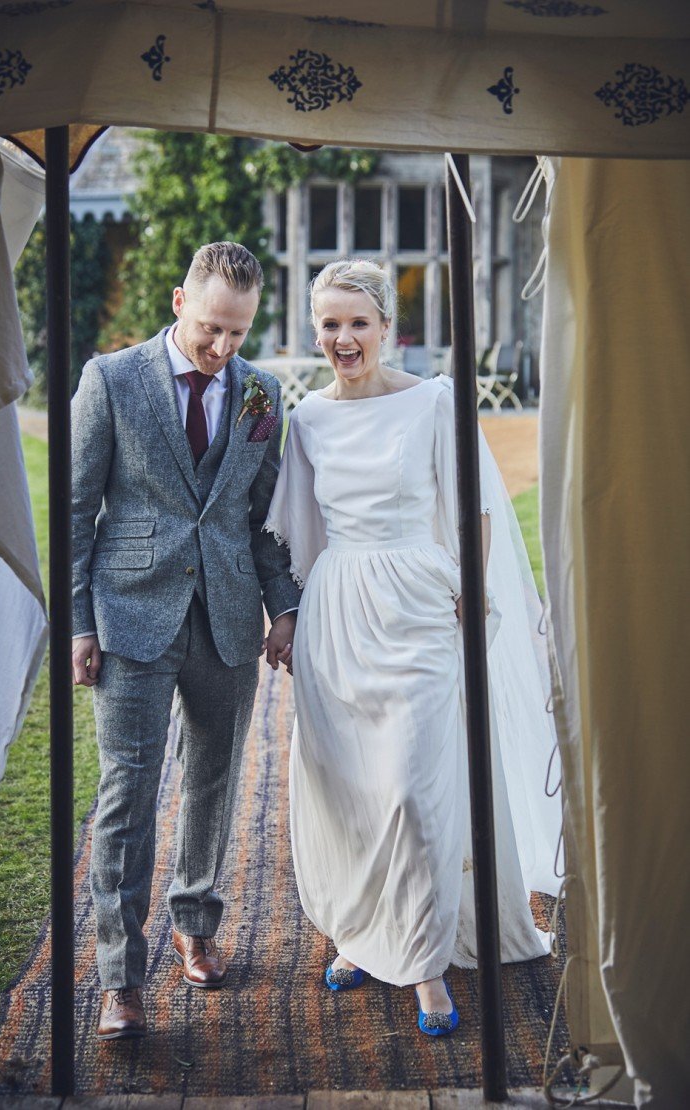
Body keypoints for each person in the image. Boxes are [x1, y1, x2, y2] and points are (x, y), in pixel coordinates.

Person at [265, 259, 562, 1036]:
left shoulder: (433, 402)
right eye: (329, 324)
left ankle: (426, 965)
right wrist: (291, 617)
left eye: (357, 323)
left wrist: (470, 587)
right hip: (339, 618)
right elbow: (297, 533)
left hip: (422, 609)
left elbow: (471, 505)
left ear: (385, 330)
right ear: (315, 330)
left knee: (414, 793)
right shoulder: (310, 421)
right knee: (353, 791)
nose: (343, 338)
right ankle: (365, 935)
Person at [71, 242, 300, 1041]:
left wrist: (284, 608)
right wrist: (79, 620)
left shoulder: (263, 395)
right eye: (210, 329)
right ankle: (119, 978)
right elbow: (75, 511)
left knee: (214, 780)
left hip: (229, 617)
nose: (223, 348)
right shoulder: (110, 379)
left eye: (238, 333)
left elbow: (260, 517)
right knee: (126, 793)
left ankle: (195, 923)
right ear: (178, 302)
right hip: (130, 613)